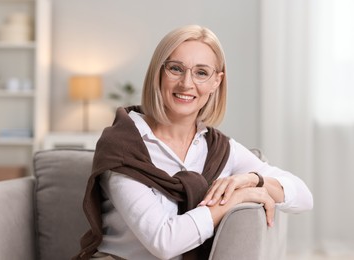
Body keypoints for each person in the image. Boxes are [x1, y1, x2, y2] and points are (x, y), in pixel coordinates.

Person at [73, 25, 313, 260]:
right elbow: (164, 242)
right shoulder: (123, 145)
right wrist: (237, 197)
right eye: (176, 69)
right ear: (159, 72)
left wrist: (252, 179)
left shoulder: (218, 149)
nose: (186, 84)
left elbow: (303, 197)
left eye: (201, 72)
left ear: (216, 82)